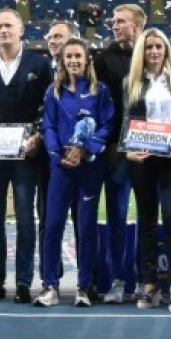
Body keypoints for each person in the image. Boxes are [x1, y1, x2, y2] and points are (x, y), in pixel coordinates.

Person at [0, 7, 53, 303]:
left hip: (26, 154)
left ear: (21, 30)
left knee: (24, 218)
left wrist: (39, 136)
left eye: (8, 26)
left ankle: (23, 282)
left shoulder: (40, 65)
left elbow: (49, 108)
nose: (3, 30)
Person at [36, 38, 114, 307]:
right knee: (53, 225)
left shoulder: (99, 90)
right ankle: (50, 286)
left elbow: (107, 126)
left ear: (87, 58)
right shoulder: (53, 92)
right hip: (61, 168)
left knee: (86, 227)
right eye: (69, 56)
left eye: (78, 56)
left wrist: (85, 149)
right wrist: (58, 154)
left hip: (90, 167)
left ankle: (83, 286)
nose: (73, 61)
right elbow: (48, 126)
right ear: (62, 59)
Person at [122, 28, 171, 310]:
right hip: (142, 157)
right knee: (147, 221)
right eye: (149, 47)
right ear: (143, 51)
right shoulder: (131, 81)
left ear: (166, 50)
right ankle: (149, 283)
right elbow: (126, 121)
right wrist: (127, 149)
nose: (154, 51)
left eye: (159, 47)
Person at [92, 3, 145, 303]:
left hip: (150, 150)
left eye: (121, 21)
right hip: (117, 152)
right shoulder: (103, 60)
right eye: (114, 21)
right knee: (117, 217)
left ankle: (142, 280)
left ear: (137, 25)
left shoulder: (152, 55)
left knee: (147, 217)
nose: (114, 25)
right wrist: (110, 145)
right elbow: (99, 106)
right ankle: (115, 279)